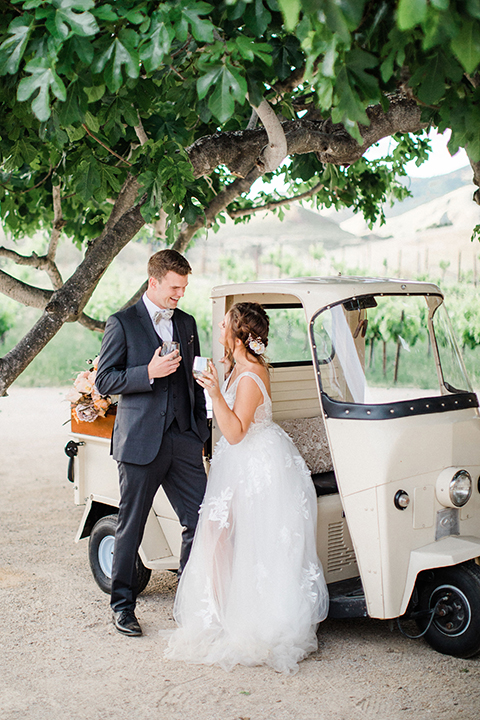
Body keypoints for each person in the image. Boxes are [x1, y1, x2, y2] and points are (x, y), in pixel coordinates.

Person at [164, 302, 329, 674]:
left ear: (238, 333)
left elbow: (236, 432)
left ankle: (240, 620)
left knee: (233, 537)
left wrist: (215, 394)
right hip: (244, 462)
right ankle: (224, 611)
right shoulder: (240, 366)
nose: (219, 327)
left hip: (255, 464)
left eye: (224, 324)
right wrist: (223, 375)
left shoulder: (251, 376)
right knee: (220, 535)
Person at [95, 249, 209, 637]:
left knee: (203, 519)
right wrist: (148, 372)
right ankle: (123, 606)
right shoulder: (122, 323)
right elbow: (105, 381)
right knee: (132, 525)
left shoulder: (188, 323)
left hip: (183, 441)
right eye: (175, 288)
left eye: (184, 288)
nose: (180, 295)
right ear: (154, 282)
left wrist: (199, 434)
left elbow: (193, 380)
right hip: (141, 442)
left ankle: (188, 600)